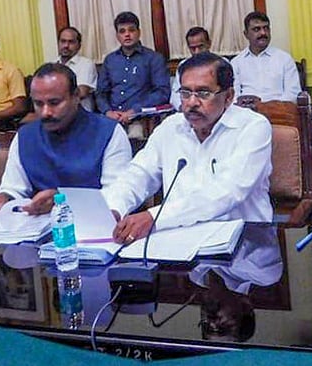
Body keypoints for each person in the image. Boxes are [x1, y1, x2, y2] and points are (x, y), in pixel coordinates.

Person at [106, 52, 273, 243]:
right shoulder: (170, 127)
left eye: (203, 93)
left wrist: (155, 217)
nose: (192, 102)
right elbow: (138, 174)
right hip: (178, 242)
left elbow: (227, 192)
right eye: (185, 93)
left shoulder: (253, 127)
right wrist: (114, 208)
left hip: (246, 245)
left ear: (228, 97)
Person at [0, 64, 131, 219]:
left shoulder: (108, 132)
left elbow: (116, 197)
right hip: (37, 229)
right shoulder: (25, 136)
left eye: (54, 103)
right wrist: (4, 198)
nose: (45, 112)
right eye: (38, 104)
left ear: (75, 97)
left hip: (94, 228)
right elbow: (14, 188)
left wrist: (63, 201)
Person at [96, 12, 170, 128]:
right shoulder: (110, 60)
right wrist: (108, 112)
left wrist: (135, 111)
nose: (127, 35)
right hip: (111, 118)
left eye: (131, 30)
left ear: (139, 32)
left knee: (135, 137)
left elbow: (162, 92)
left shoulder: (154, 58)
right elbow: (101, 93)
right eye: (122, 31)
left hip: (141, 118)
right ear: (117, 36)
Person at [230, 11, 301, 106]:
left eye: (266, 28)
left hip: (279, 112)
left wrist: (270, 108)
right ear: (246, 34)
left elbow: (293, 93)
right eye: (256, 29)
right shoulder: (236, 63)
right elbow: (233, 96)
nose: (263, 33)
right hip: (247, 114)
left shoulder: (284, 59)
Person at [54, 26, 98, 111]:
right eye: (63, 41)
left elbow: (81, 92)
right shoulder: (52, 65)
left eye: (71, 42)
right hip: (57, 115)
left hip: (80, 115)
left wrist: (53, 96)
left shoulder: (86, 64)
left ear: (79, 45)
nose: (66, 45)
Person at [171, 26, 212, 109]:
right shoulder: (183, 65)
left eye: (200, 47)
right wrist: (183, 108)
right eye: (193, 48)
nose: (197, 52)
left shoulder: (221, 63)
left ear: (209, 44)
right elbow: (175, 95)